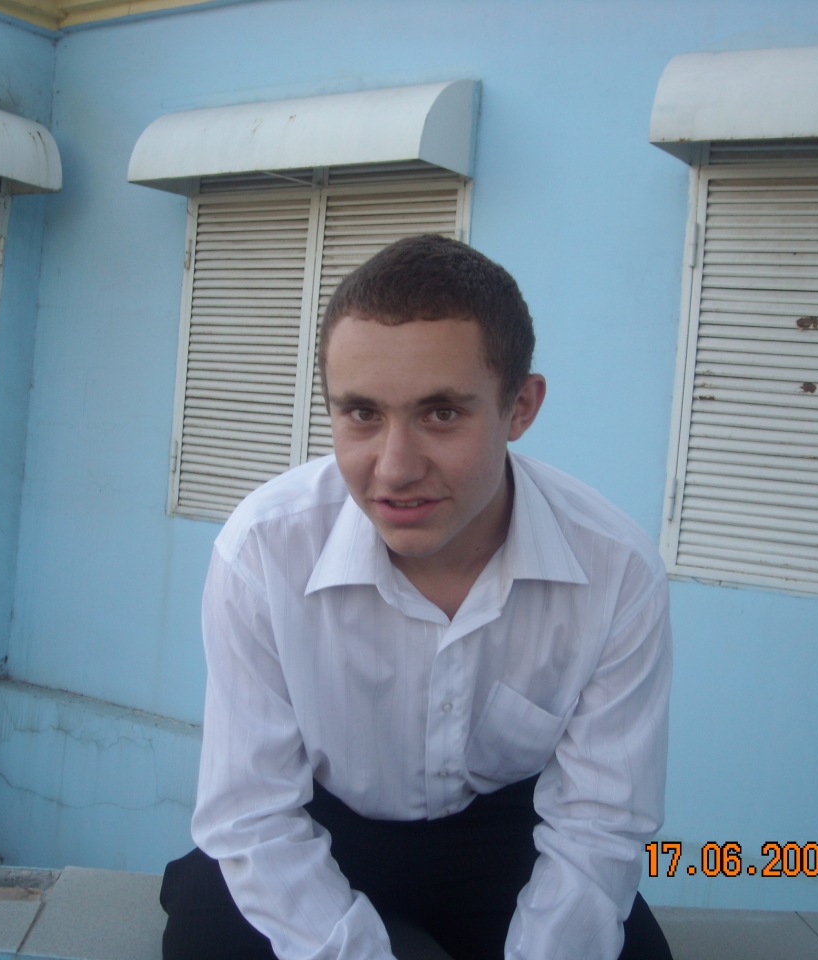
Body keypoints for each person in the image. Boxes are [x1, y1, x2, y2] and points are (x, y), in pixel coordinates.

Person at [161, 235, 673, 960]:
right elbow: (253, 814)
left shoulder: (615, 570)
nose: (395, 469)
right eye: (362, 414)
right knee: (206, 933)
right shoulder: (264, 552)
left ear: (520, 406)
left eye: (441, 414)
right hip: (319, 829)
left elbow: (599, 821)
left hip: (507, 840)